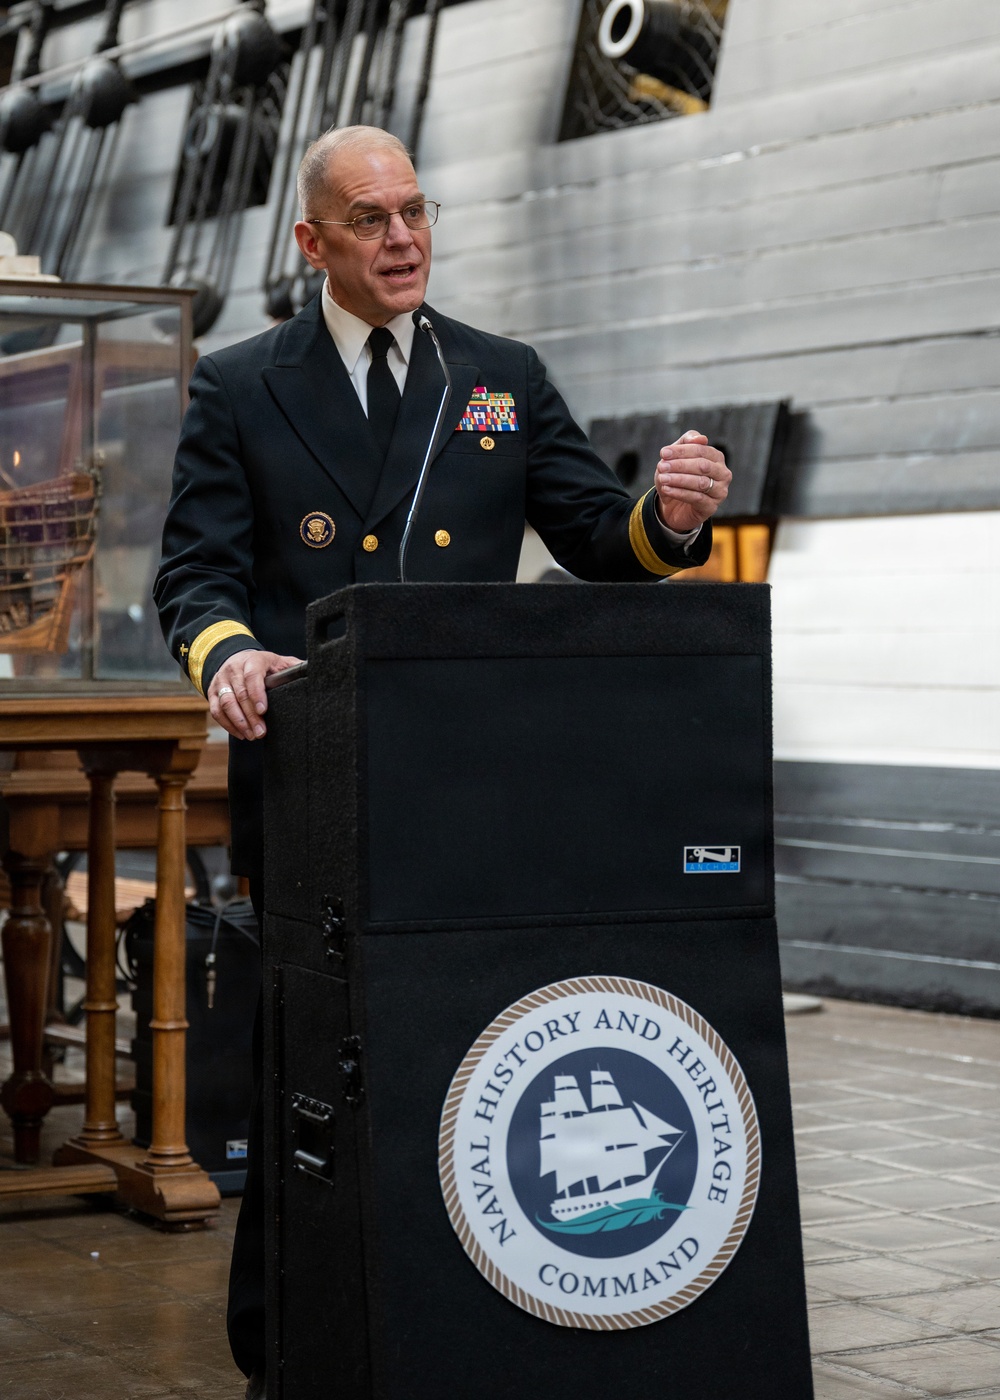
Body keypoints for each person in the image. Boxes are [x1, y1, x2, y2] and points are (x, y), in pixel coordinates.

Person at [154, 124, 731, 1399]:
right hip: (309, 780)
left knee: (456, 1052)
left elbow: (597, 536)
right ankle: (287, 1342)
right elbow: (193, 572)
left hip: (468, 783)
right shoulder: (240, 384)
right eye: (371, 219)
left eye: (415, 210)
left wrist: (670, 519)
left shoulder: (499, 375)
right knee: (311, 1069)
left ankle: (458, 1323)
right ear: (312, 241)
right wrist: (229, 655)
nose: (404, 236)